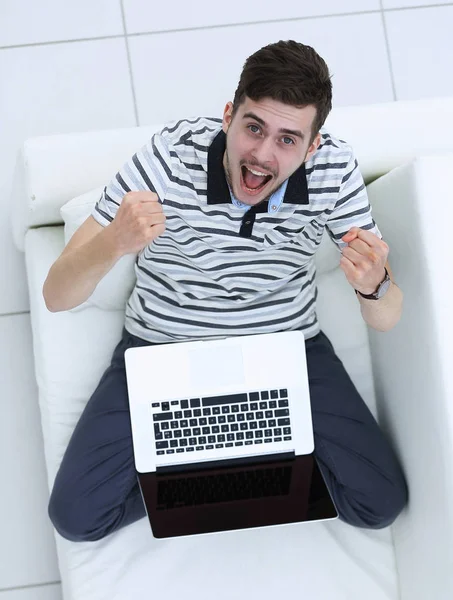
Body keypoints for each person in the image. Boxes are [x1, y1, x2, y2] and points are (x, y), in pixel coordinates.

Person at [43, 40, 408, 542]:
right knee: (77, 518)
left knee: (379, 503)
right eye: (253, 128)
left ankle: (225, 467)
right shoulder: (169, 156)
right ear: (228, 116)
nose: (260, 155)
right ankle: (231, 468)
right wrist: (113, 242)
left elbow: (388, 315)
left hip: (287, 348)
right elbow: (56, 294)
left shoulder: (334, 172)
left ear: (312, 146)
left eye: (287, 139)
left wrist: (375, 285)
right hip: (163, 350)